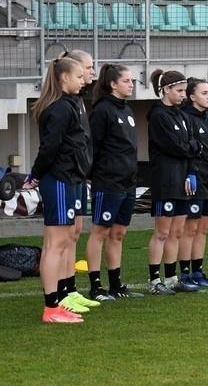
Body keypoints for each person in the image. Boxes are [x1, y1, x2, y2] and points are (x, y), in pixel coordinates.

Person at [32, 57, 91, 323]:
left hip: (66, 178)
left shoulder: (68, 105)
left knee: (58, 244)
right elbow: (49, 148)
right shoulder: (59, 109)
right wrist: (35, 175)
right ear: (63, 78)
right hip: (58, 179)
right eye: (78, 76)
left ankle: (57, 303)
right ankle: (51, 307)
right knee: (54, 245)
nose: (83, 80)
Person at [85, 63, 143, 301]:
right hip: (108, 182)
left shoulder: (126, 110)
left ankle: (116, 284)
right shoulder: (102, 111)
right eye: (127, 81)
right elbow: (93, 148)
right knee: (100, 231)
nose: (131, 85)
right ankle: (95, 286)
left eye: (132, 81)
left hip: (128, 182)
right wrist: (98, 174)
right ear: (113, 84)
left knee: (119, 233)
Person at [146, 69, 200, 295]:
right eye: (179, 91)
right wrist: (192, 148)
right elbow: (178, 147)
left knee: (177, 231)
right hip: (165, 181)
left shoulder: (183, 115)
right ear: (166, 90)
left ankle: (171, 277)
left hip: (182, 181)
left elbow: (192, 145)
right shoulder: (158, 116)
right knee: (162, 231)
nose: (183, 95)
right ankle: (154, 279)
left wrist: (191, 171)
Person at [62, 50, 96, 308]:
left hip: (79, 175)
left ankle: (70, 288)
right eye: (88, 66)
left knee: (74, 233)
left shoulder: (81, 99)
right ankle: (61, 293)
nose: (91, 71)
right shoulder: (64, 103)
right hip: (66, 175)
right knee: (62, 236)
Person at [180, 78, 208, 288]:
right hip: (196, 181)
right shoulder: (186, 118)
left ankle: (198, 270)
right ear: (192, 96)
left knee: (204, 228)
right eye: (204, 93)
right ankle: (184, 273)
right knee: (191, 228)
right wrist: (191, 173)